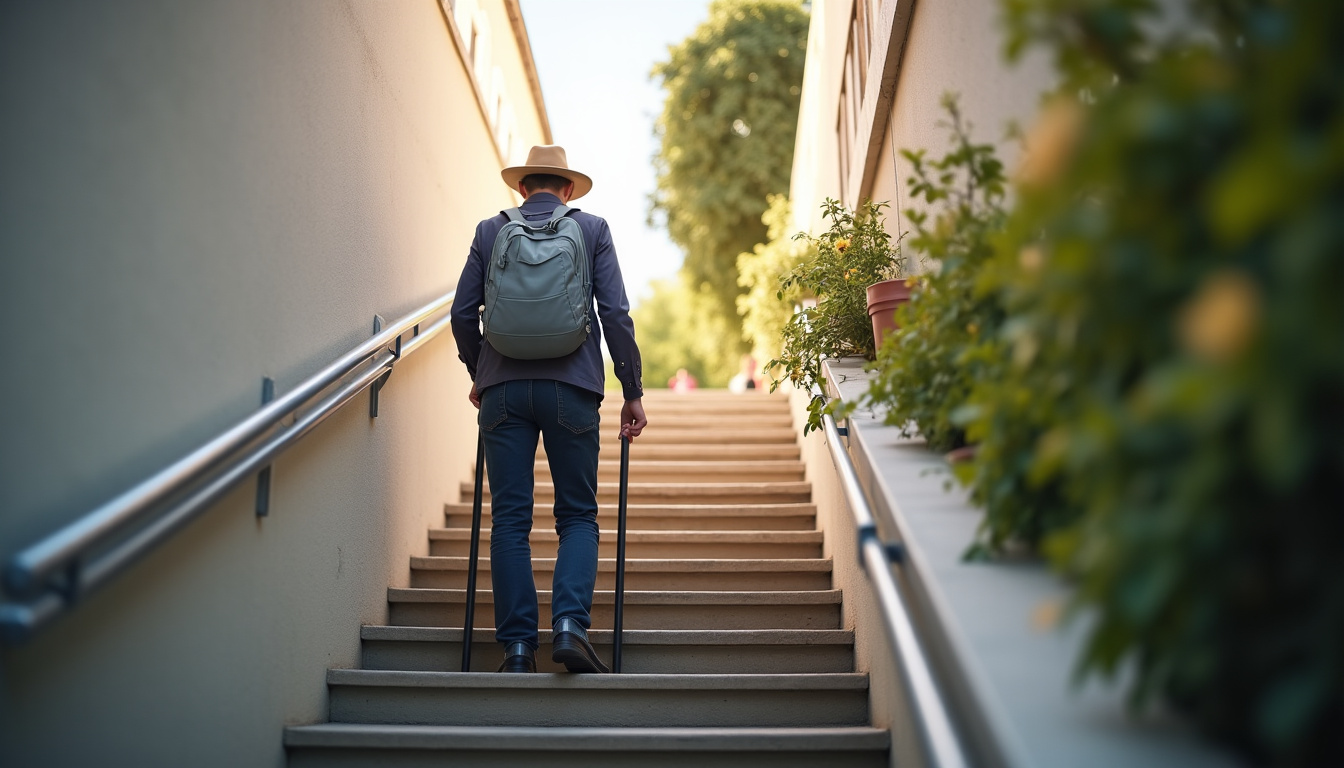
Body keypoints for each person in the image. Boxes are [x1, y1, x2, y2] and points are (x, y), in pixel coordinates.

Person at [450, 145, 647, 675]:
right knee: (578, 515)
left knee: (510, 521)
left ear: (521, 188)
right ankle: (568, 628)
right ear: (566, 190)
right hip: (573, 387)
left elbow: (462, 314)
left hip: (503, 394)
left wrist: (480, 373)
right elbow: (615, 314)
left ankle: (517, 649)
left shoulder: (491, 232)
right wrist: (632, 388)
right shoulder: (592, 229)